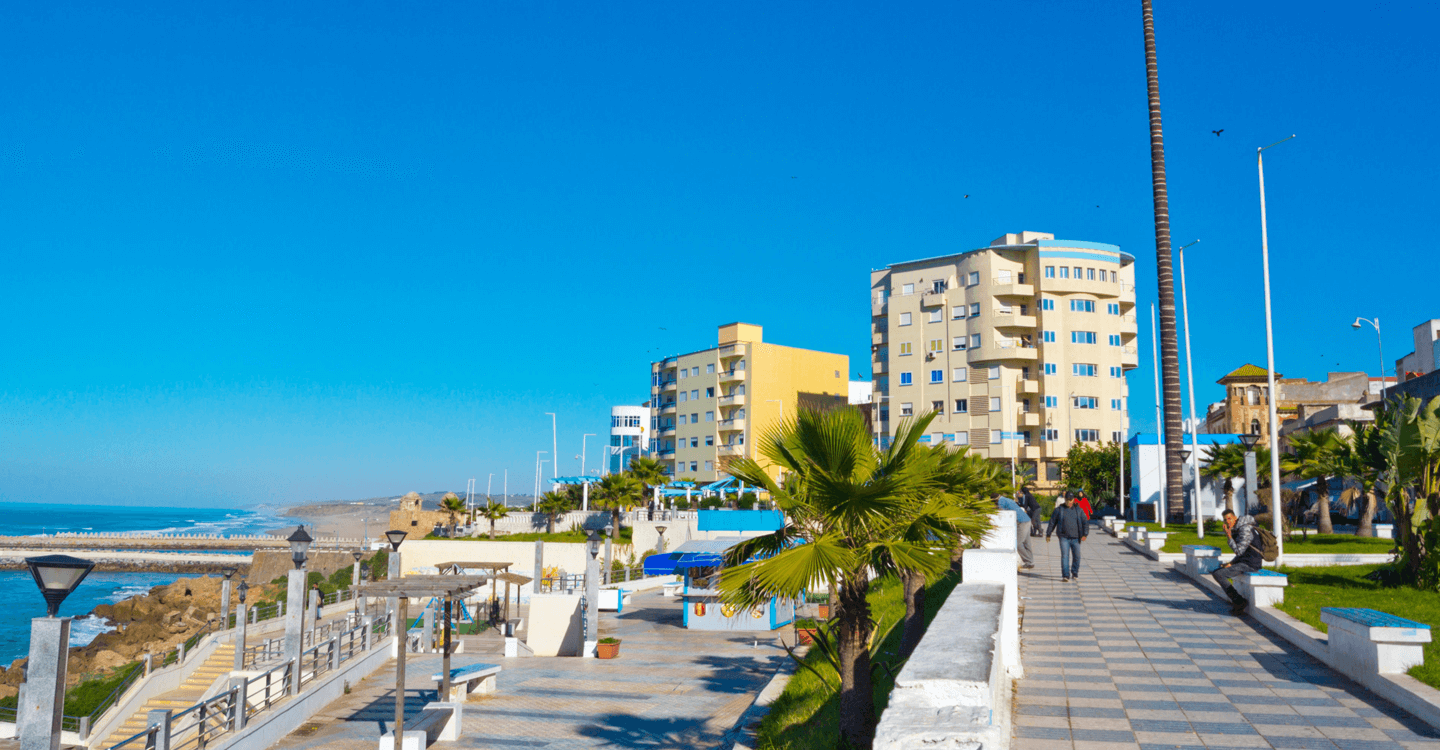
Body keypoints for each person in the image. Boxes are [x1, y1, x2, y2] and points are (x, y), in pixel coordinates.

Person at [1214, 509, 1263, 614]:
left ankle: (1239, 602)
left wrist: (1229, 537)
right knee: (1218, 570)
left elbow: (1239, 551)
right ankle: (1238, 601)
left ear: (1235, 518)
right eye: (1225, 520)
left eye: (1229, 518)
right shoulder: (1240, 527)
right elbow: (1244, 552)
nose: (1227, 521)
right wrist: (1231, 563)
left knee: (1219, 574)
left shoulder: (1245, 529)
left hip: (1250, 564)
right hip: (1245, 561)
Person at [1046, 494, 1088, 581]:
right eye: (1067, 500)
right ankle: (1065, 575)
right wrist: (1048, 534)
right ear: (1065, 500)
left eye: (1071, 500)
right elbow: (1052, 522)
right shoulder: (1059, 510)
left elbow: (1085, 522)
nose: (1069, 502)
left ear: (1073, 500)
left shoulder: (1078, 510)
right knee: (1065, 556)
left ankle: (1075, 573)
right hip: (1064, 538)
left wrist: (1085, 534)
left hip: (1076, 538)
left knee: (1077, 556)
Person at [996, 494, 1035, 569]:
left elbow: (1002, 513)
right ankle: (1031, 562)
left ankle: (1028, 561)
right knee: (1027, 543)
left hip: (1021, 522)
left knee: (1018, 543)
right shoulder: (1007, 499)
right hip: (1027, 520)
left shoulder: (1001, 501)